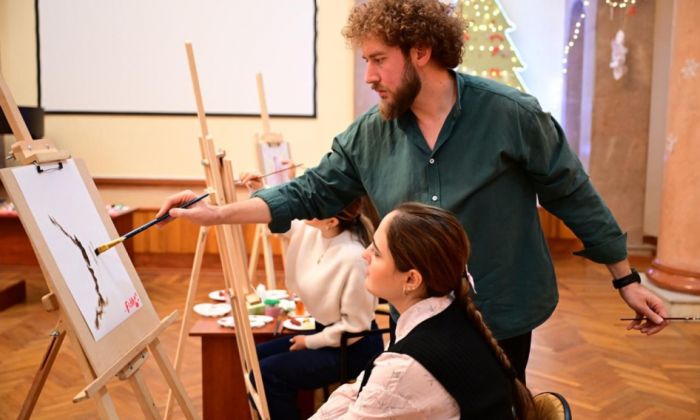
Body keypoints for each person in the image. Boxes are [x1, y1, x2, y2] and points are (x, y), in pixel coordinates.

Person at [158, 0, 668, 383]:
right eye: (365, 61)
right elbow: (309, 192)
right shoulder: (369, 134)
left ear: (421, 51)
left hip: (503, 311)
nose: (369, 76)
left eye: (379, 59)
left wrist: (625, 278)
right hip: (418, 318)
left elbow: (572, 192)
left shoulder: (511, 114)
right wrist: (216, 212)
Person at [313, 202, 533, 419]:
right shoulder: (446, 312)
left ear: (411, 279)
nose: (365, 254)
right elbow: (363, 388)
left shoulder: (406, 365)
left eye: (377, 253)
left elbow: (364, 391)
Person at [241, 171, 384, 420]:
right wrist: (260, 190)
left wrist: (309, 342)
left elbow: (355, 328)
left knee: (265, 374)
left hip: (350, 347)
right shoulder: (313, 230)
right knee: (254, 357)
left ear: (331, 221)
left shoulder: (353, 258)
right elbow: (282, 220)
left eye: (314, 204)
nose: (307, 205)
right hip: (325, 332)